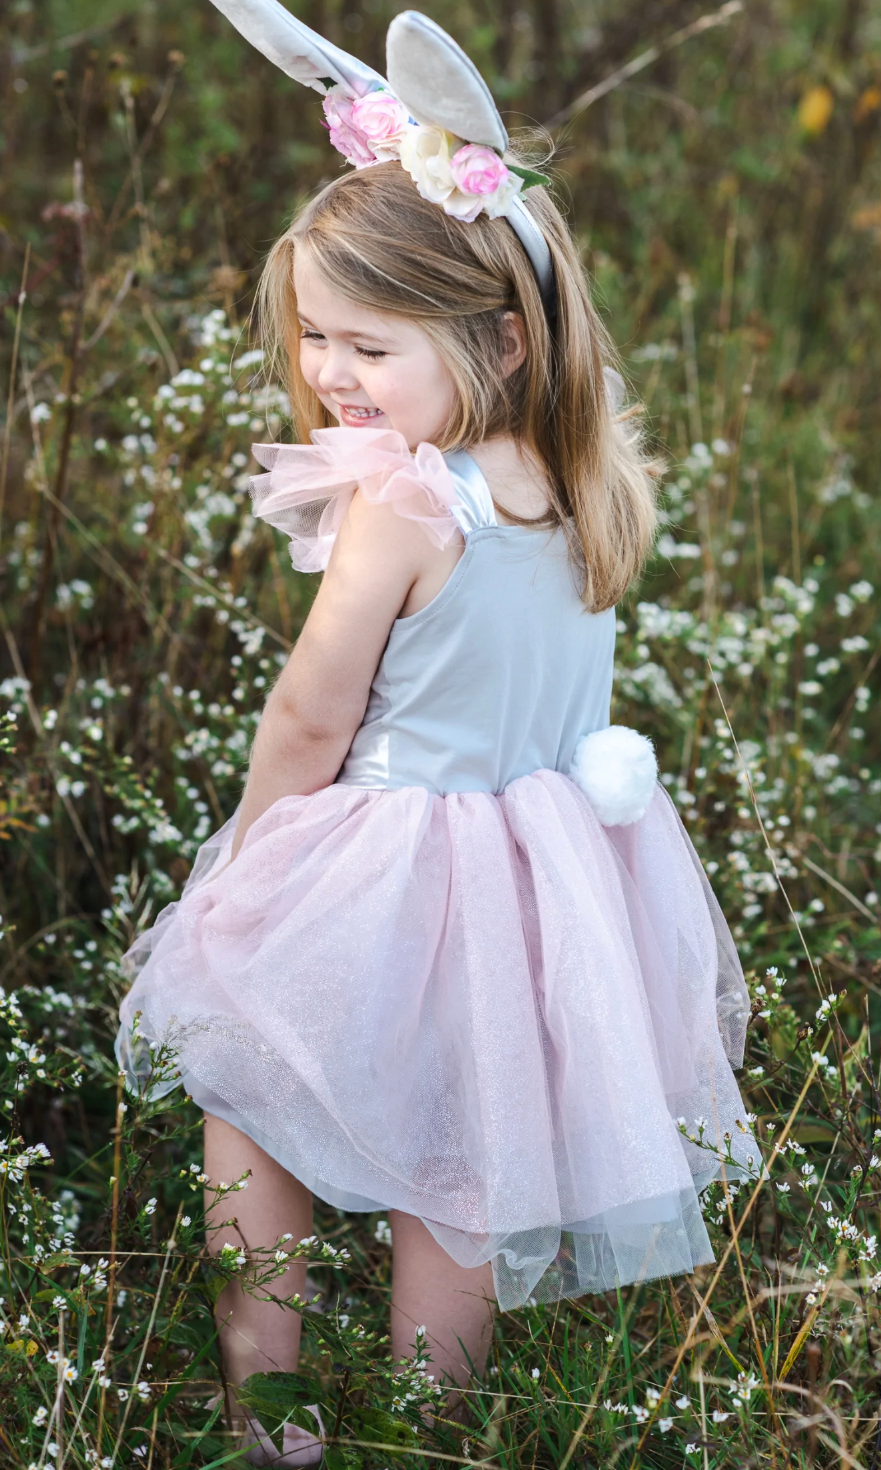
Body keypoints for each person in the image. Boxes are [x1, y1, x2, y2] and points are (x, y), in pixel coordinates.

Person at [117, 8, 757, 1465]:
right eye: (315, 339)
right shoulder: (578, 483)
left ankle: (262, 1411)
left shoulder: (403, 506)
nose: (333, 375)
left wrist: (249, 863)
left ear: (497, 334)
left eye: (369, 346)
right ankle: (434, 1425)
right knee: (471, 1153)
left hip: (387, 849)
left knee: (245, 1073)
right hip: (546, 876)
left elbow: (310, 709)